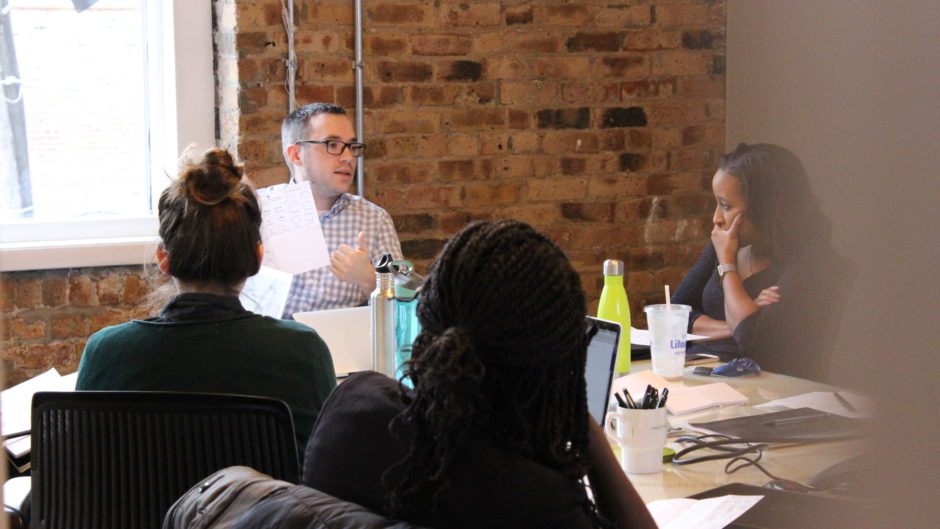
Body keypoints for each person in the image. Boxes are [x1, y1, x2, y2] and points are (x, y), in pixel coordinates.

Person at [301, 220, 656, 529]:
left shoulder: (351, 407)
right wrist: (583, 426)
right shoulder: (537, 500)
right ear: (557, 364)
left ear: (428, 316)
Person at [76, 148, 337, 452]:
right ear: (256, 258)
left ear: (164, 258)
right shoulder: (303, 351)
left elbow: (75, 474)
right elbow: (323, 473)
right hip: (258, 502)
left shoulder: (106, 352)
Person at [671, 143, 850, 381]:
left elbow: (751, 340)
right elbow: (675, 313)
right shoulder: (727, 241)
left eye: (726, 206)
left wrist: (727, 265)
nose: (716, 218)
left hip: (762, 389)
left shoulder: (812, 261)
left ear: (764, 207)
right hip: (701, 375)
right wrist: (734, 323)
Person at [280, 102, 402, 317]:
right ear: (296, 155)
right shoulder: (257, 212)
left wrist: (369, 279)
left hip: (344, 348)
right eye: (333, 145)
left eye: (352, 147)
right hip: (272, 346)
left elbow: (406, 304)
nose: (348, 157)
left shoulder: (374, 219)